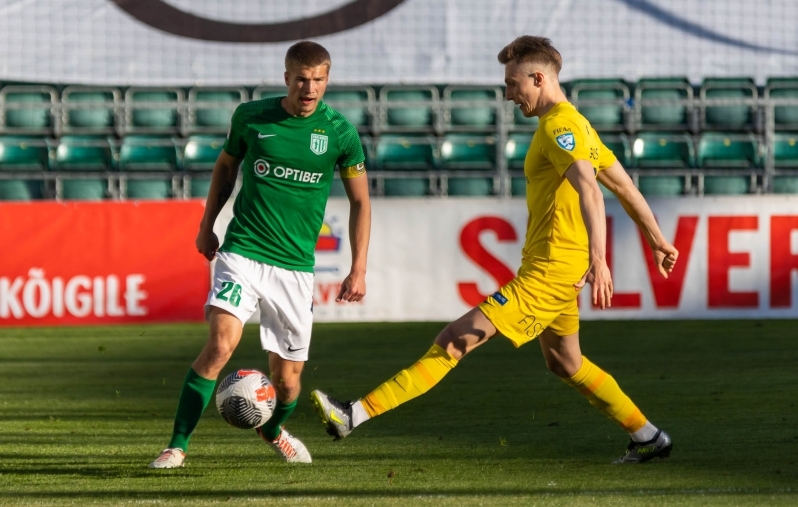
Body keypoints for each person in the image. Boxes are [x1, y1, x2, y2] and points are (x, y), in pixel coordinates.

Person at [311, 36, 678, 464]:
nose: (507, 94)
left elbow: (592, 190)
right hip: (555, 267)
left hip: (551, 271)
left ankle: (352, 415)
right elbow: (625, 186)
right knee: (565, 362)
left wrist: (600, 257)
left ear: (538, 78)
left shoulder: (559, 125)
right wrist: (656, 238)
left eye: (511, 83)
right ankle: (648, 436)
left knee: (453, 340)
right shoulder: (577, 123)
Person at [149, 41, 371, 469]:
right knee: (219, 347)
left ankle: (271, 430)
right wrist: (206, 224)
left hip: (294, 269)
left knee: (288, 384)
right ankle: (177, 446)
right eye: (302, 79)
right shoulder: (251, 118)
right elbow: (226, 168)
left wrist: (358, 268)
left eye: (319, 80)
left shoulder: (340, 132)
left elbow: (361, 202)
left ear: (328, 80)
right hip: (243, 252)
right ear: (286, 77)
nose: (310, 88)